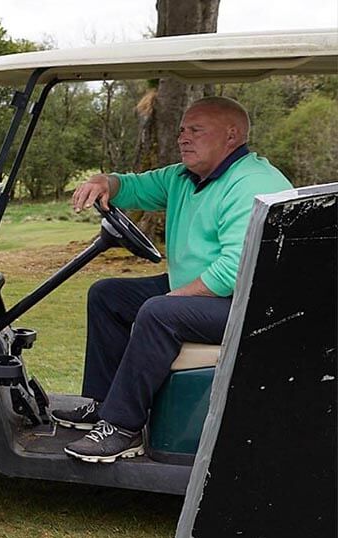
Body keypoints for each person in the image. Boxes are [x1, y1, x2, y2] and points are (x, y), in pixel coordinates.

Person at [52, 96, 292, 463]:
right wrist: (105, 182)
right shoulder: (185, 176)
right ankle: (102, 405)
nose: (184, 138)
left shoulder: (250, 184)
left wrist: (172, 299)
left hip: (252, 304)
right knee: (108, 295)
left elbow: (231, 273)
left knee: (159, 312)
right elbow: (133, 187)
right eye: (182, 130)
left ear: (232, 135)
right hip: (211, 293)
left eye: (196, 130)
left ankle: (122, 427)